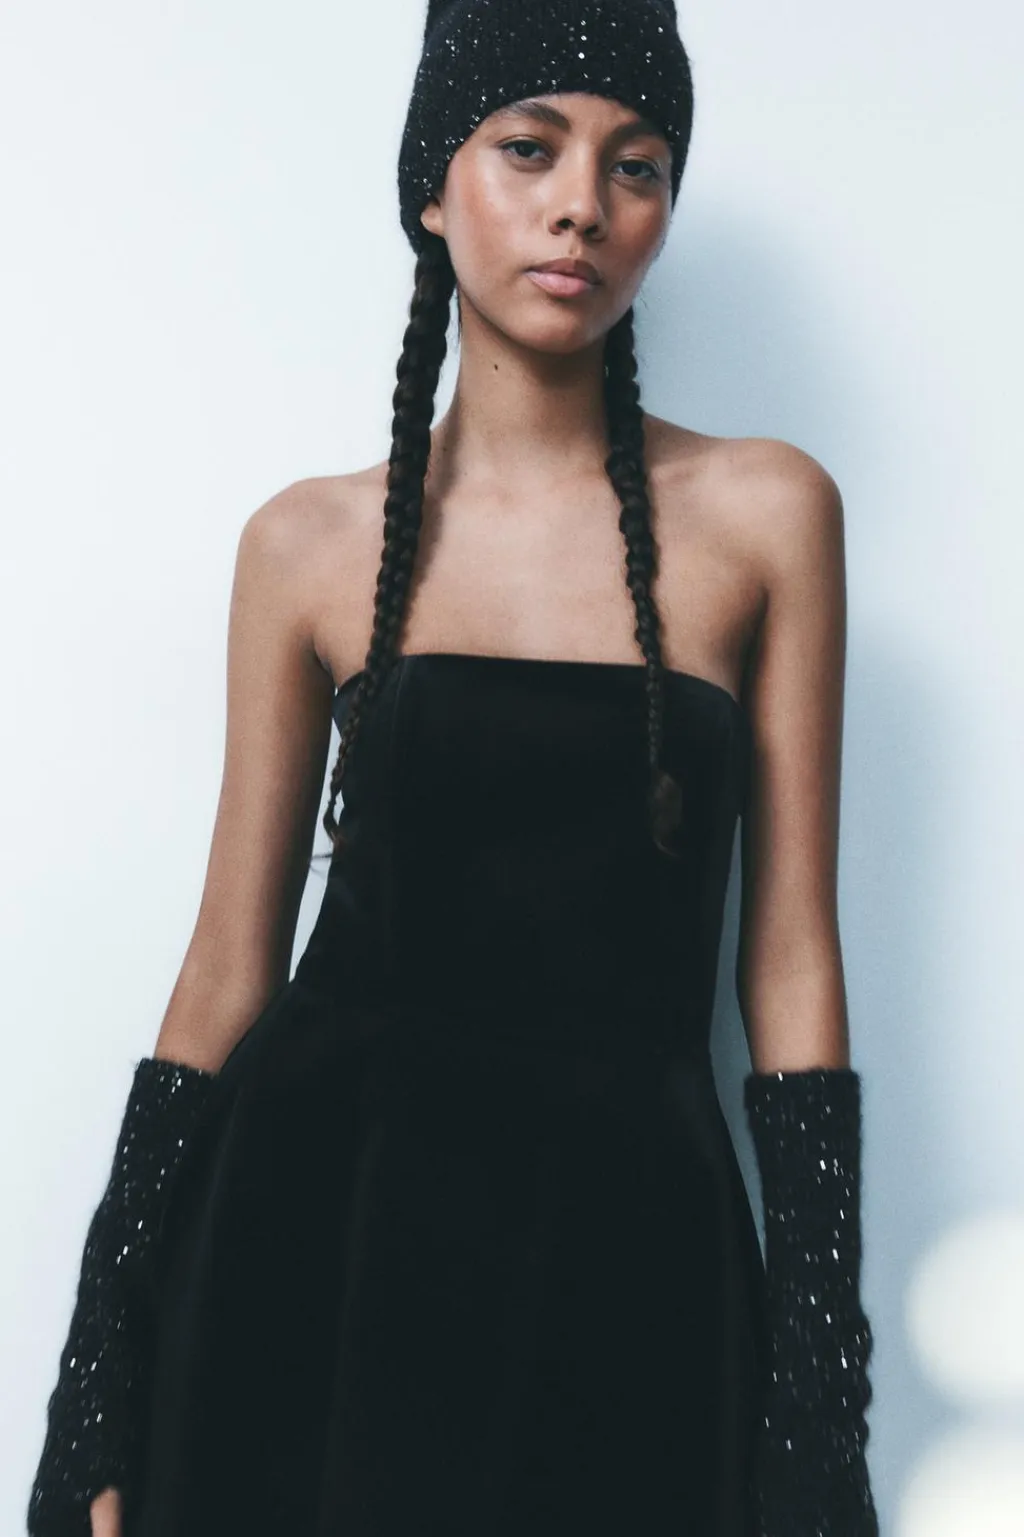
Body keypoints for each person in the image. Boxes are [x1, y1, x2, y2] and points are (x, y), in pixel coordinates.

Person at [26, 2, 880, 1534]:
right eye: (529, 149)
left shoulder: (767, 516)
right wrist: (100, 1367)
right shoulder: (308, 543)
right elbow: (227, 972)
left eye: (637, 165)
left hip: (633, 1253)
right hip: (317, 1243)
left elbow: (793, 965)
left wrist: (821, 1389)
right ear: (433, 184)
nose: (583, 206)